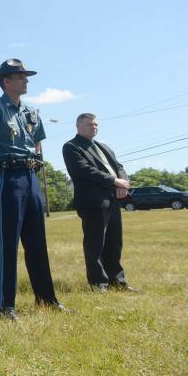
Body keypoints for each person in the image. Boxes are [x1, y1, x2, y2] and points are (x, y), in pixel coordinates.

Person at [0, 59, 67, 320]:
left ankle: (46, 298)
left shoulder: (32, 112)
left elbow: (37, 144)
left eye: (26, 76)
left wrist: (31, 163)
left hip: (30, 178)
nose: (26, 80)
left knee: (37, 241)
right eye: (20, 76)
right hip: (6, 179)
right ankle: (7, 305)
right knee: (8, 242)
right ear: (6, 81)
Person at [62, 113, 137, 292]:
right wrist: (113, 181)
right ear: (78, 126)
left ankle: (117, 282)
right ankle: (98, 283)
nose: (94, 127)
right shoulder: (72, 147)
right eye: (89, 124)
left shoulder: (103, 147)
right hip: (92, 202)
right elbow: (83, 170)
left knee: (114, 243)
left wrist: (123, 183)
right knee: (95, 244)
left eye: (95, 125)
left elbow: (119, 167)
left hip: (112, 200)